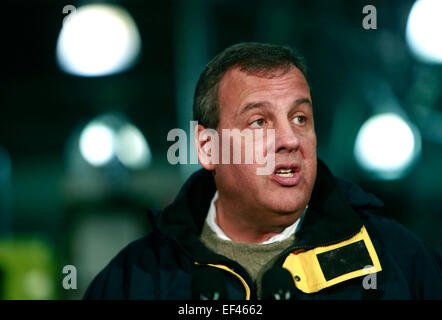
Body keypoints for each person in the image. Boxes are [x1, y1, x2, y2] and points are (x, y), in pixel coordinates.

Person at [84, 42, 442, 300]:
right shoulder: (134, 279)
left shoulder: (399, 260)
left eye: (300, 118)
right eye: (259, 122)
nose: (289, 139)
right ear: (208, 147)